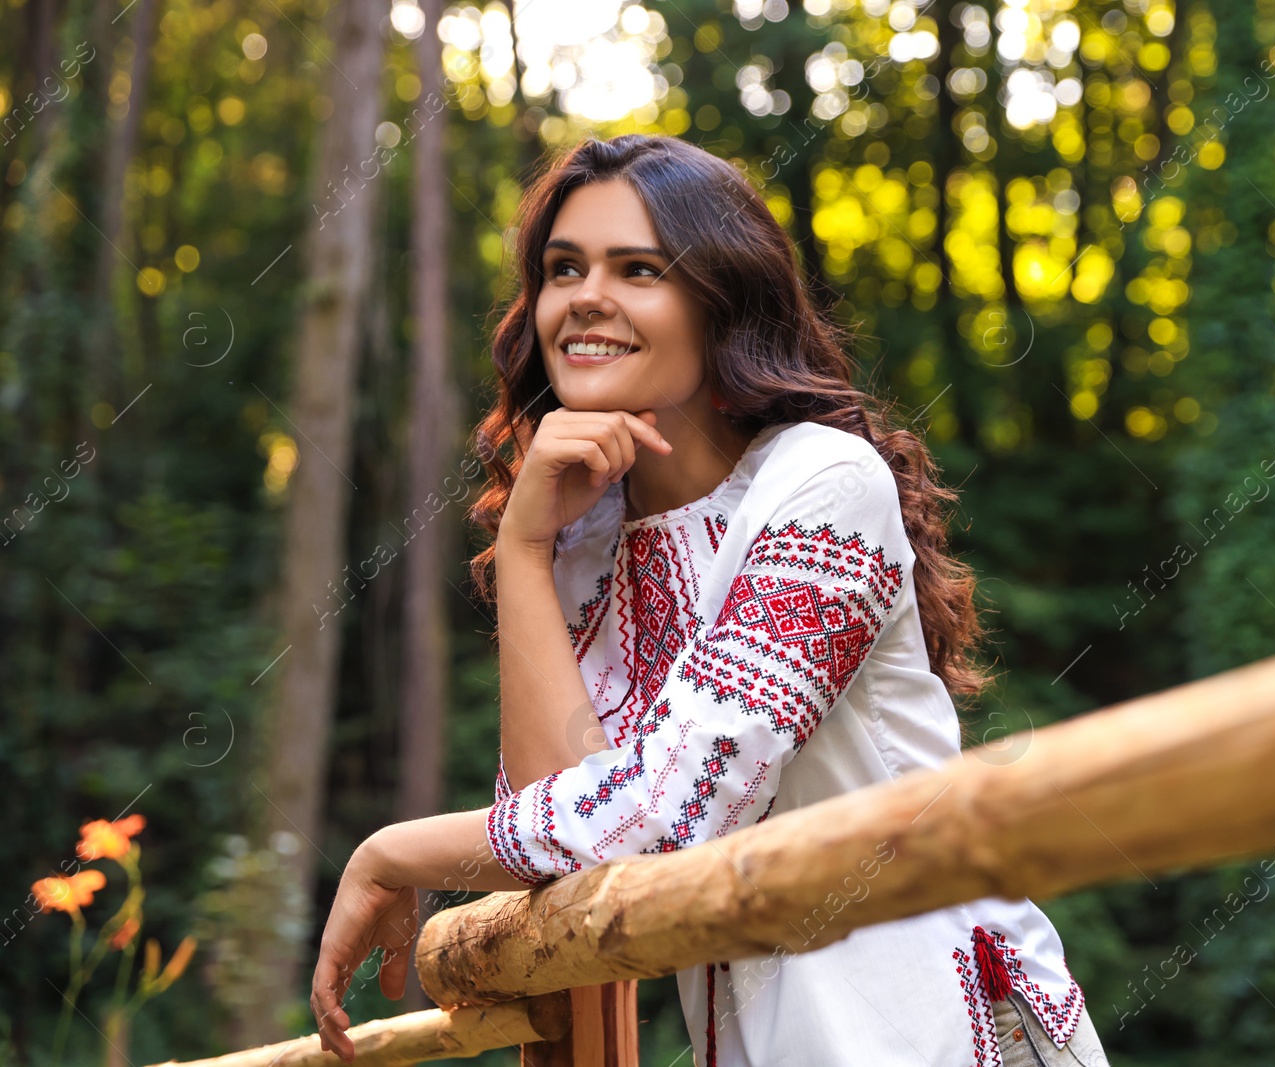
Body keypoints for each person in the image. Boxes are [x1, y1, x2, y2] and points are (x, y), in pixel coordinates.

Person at [310, 133, 1110, 1067]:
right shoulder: (586, 536)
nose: (585, 297)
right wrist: (527, 553)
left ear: (718, 298)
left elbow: (664, 812)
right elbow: (563, 832)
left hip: (929, 1022)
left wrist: (390, 851)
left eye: (638, 267)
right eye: (562, 269)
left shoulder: (824, 485)